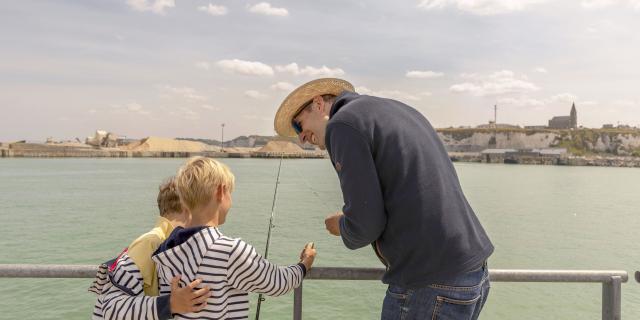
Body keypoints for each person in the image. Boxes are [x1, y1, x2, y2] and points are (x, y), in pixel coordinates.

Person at [273, 78, 494, 320]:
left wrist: (341, 225)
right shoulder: (398, 110)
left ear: (318, 104)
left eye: (298, 125)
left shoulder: (342, 124)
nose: (301, 138)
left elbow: (365, 226)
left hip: (428, 281)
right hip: (473, 272)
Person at [150, 156, 317, 319]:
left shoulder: (167, 250)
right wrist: (304, 264)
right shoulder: (229, 251)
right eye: (230, 192)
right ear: (220, 192)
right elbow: (278, 283)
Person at [90, 178, 209, 319]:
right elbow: (111, 308)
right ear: (187, 207)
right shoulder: (150, 243)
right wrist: (171, 304)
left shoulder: (171, 243)